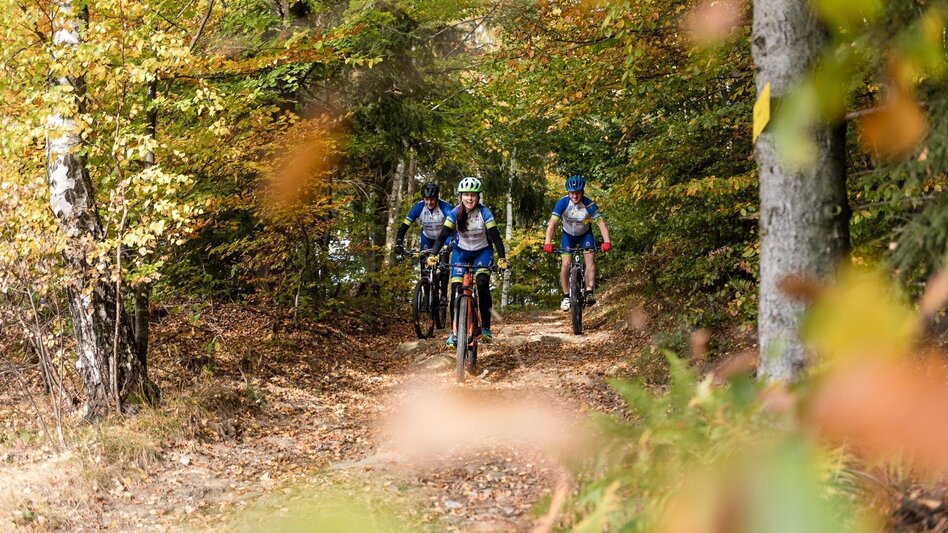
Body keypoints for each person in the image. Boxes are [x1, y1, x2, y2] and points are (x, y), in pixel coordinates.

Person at [427, 177, 508, 346]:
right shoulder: (454, 213)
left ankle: (485, 328)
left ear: (478, 197)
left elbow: (496, 238)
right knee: (456, 288)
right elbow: (442, 236)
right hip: (461, 253)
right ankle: (454, 332)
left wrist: (501, 258)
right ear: (461, 196)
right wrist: (433, 254)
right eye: (466, 195)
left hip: (482, 252)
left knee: (482, 283)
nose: (469, 198)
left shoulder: (485, 213)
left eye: (473, 195)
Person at [542, 175, 611, 311]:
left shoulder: (589, 204)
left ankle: (589, 292)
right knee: (566, 264)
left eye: (577, 193)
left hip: (585, 235)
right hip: (568, 236)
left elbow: (601, 224)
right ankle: (566, 296)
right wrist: (547, 242)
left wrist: (607, 241)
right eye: (572, 193)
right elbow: (552, 224)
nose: (575, 196)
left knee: (590, 261)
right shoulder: (562, 203)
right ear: (568, 193)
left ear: (582, 192)